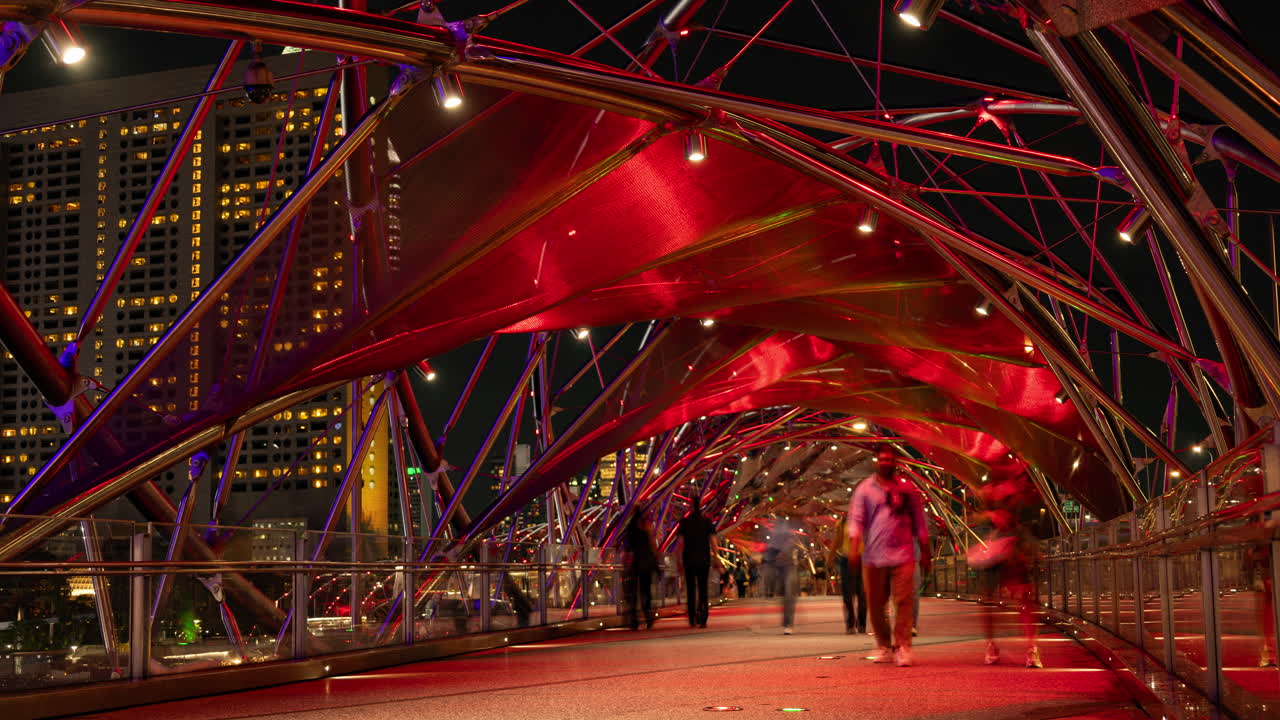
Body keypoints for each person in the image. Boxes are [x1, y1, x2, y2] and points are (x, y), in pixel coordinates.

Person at [849, 444, 931, 666]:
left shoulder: (907, 489)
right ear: (876, 461)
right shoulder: (864, 489)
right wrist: (854, 549)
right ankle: (884, 645)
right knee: (876, 605)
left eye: (889, 459)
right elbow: (856, 520)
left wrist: (925, 551)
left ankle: (902, 646)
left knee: (904, 601)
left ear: (896, 462)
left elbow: (919, 522)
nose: (886, 462)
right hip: (874, 557)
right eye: (882, 459)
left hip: (903, 554)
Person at [975, 457, 1042, 668]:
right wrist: (990, 515)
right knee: (991, 600)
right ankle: (996, 645)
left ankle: (1030, 648)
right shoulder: (988, 492)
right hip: (996, 549)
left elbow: (1033, 510)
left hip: (1014, 547)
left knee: (1024, 598)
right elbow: (977, 517)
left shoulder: (1018, 489)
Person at [676, 497, 717, 628]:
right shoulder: (706, 522)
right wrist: (716, 557)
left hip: (688, 559)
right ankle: (703, 614)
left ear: (690, 507)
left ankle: (692, 617)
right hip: (704, 559)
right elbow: (713, 542)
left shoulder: (684, 523)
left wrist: (678, 561)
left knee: (691, 589)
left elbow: (680, 544)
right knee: (703, 588)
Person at [622, 512, 659, 630]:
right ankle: (648, 617)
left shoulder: (630, 532)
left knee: (633, 593)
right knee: (645, 592)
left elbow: (626, 549)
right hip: (646, 565)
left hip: (634, 564)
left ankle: (633, 620)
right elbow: (653, 546)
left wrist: (625, 566)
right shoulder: (646, 531)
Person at [832, 513, 866, 634]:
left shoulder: (865, 518)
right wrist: (830, 557)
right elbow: (838, 540)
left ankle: (862, 623)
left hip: (863, 559)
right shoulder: (842, 522)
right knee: (847, 594)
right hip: (846, 560)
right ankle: (850, 623)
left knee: (862, 593)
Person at [766, 515, 799, 633]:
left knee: (789, 592)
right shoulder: (774, 529)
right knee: (785, 593)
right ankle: (787, 621)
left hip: (789, 564)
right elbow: (770, 548)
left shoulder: (791, 526)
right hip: (777, 565)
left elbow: (793, 543)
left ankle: (788, 623)